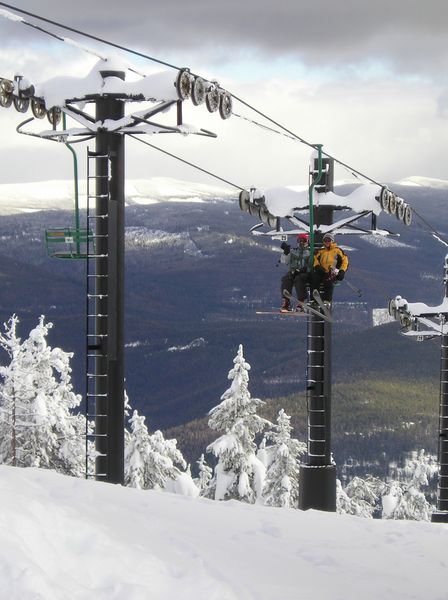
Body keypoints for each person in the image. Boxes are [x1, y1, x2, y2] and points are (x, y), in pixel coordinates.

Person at [311, 233, 348, 302]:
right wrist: (317, 267)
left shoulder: (337, 250)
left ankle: (327, 300)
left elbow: (345, 261)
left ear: (332, 241)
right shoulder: (321, 251)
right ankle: (314, 300)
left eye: (329, 240)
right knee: (314, 279)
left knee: (328, 281)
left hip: (331, 272)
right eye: (325, 240)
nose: (327, 242)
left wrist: (342, 271)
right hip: (322, 272)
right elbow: (315, 259)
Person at [279, 233, 311, 312]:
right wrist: (286, 252)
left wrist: (303, 269)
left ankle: (301, 302)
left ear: (307, 241)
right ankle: (286, 301)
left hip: (304, 272)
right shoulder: (294, 251)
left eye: (303, 240)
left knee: (299, 279)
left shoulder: (310, 252)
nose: (301, 242)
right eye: (299, 240)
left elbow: (312, 264)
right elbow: (284, 261)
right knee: (286, 278)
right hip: (294, 271)